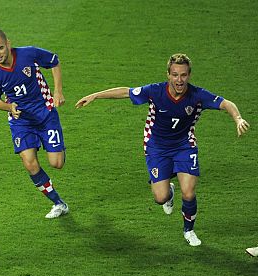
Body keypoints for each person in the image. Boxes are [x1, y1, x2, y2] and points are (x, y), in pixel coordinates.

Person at [75, 53, 250, 246]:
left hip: (184, 146)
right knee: (160, 197)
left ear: (189, 75)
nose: (179, 80)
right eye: (175, 74)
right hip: (157, 147)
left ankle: (189, 230)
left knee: (189, 192)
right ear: (168, 74)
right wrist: (96, 95)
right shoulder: (155, 91)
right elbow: (126, 92)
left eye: (183, 75)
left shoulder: (197, 95)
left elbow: (226, 103)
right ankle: (169, 193)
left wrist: (238, 118)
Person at [0, 30, 69, 219]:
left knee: (57, 163)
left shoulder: (28, 54)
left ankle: (57, 145)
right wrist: (9, 107)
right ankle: (58, 203)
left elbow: (54, 61)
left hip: (45, 113)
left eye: (0, 48)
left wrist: (58, 91)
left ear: (8, 43)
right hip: (21, 121)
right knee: (30, 164)